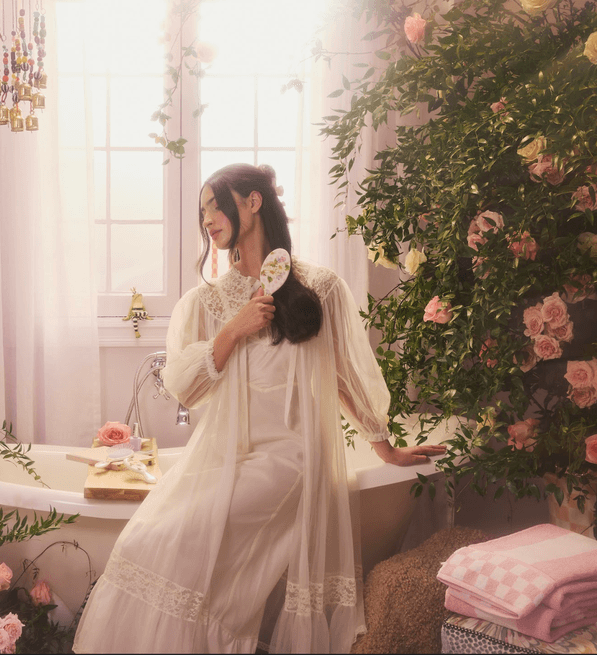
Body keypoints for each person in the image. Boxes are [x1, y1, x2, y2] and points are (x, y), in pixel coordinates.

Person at [72, 163, 445, 654]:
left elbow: (344, 377)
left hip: (288, 458)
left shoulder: (321, 286)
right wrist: (234, 329)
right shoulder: (206, 302)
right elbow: (185, 387)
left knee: (183, 550)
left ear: (253, 202)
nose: (207, 218)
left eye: (214, 203)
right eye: (201, 209)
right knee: (147, 543)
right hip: (224, 456)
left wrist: (386, 448)